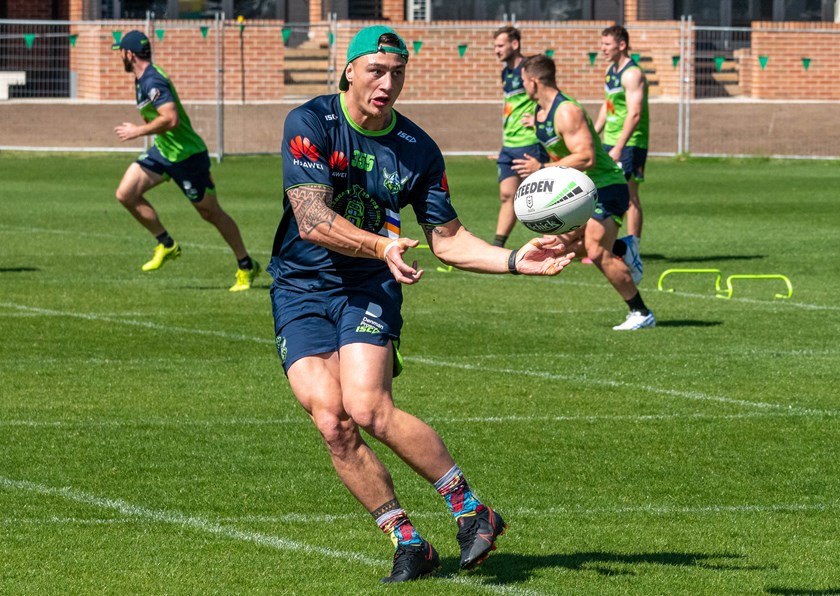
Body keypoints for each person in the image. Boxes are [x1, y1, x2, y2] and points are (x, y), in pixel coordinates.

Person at [269, 25, 577, 583]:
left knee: (367, 407)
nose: (387, 84)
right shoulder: (311, 122)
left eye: (397, 73)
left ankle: (472, 511)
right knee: (333, 422)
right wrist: (382, 244)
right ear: (349, 71)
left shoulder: (418, 149)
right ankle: (408, 542)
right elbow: (311, 218)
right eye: (376, 71)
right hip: (300, 287)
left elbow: (448, 240)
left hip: (370, 285)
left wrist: (515, 260)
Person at [513, 54, 655, 331]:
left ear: (534, 81)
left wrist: (541, 168)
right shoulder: (541, 113)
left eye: (523, 81)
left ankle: (641, 312)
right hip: (580, 189)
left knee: (596, 251)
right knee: (554, 246)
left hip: (605, 185)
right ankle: (623, 248)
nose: (522, 86)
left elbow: (587, 157)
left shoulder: (567, 111)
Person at [112, 30, 260, 292]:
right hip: (164, 151)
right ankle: (167, 244)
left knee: (210, 213)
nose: (119, 57)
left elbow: (171, 119)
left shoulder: (152, 80)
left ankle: (246, 265)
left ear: (129, 54)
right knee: (126, 193)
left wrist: (137, 131)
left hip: (187, 155)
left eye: (120, 52)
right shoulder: (142, 78)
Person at [594, 25, 650, 282]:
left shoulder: (632, 74)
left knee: (629, 195)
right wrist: (594, 135)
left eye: (607, 44)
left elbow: (635, 114)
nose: (602, 48)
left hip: (630, 143)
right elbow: (607, 107)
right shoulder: (610, 71)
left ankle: (632, 246)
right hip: (610, 141)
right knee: (604, 190)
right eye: (602, 44)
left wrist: (619, 146)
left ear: (622, 45)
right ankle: (608, 243)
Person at [490, 26, 547, 248]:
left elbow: (546, 96)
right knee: (507, 195)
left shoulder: (530, 69)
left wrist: (539, 120)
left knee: (540, 198)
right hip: (509, 145)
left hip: (529, 143)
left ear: (514, 44)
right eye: (495, 46)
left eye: (500, 45)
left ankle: (555, 244)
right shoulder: (506, 72)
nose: (496, 50)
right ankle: (497, 246)